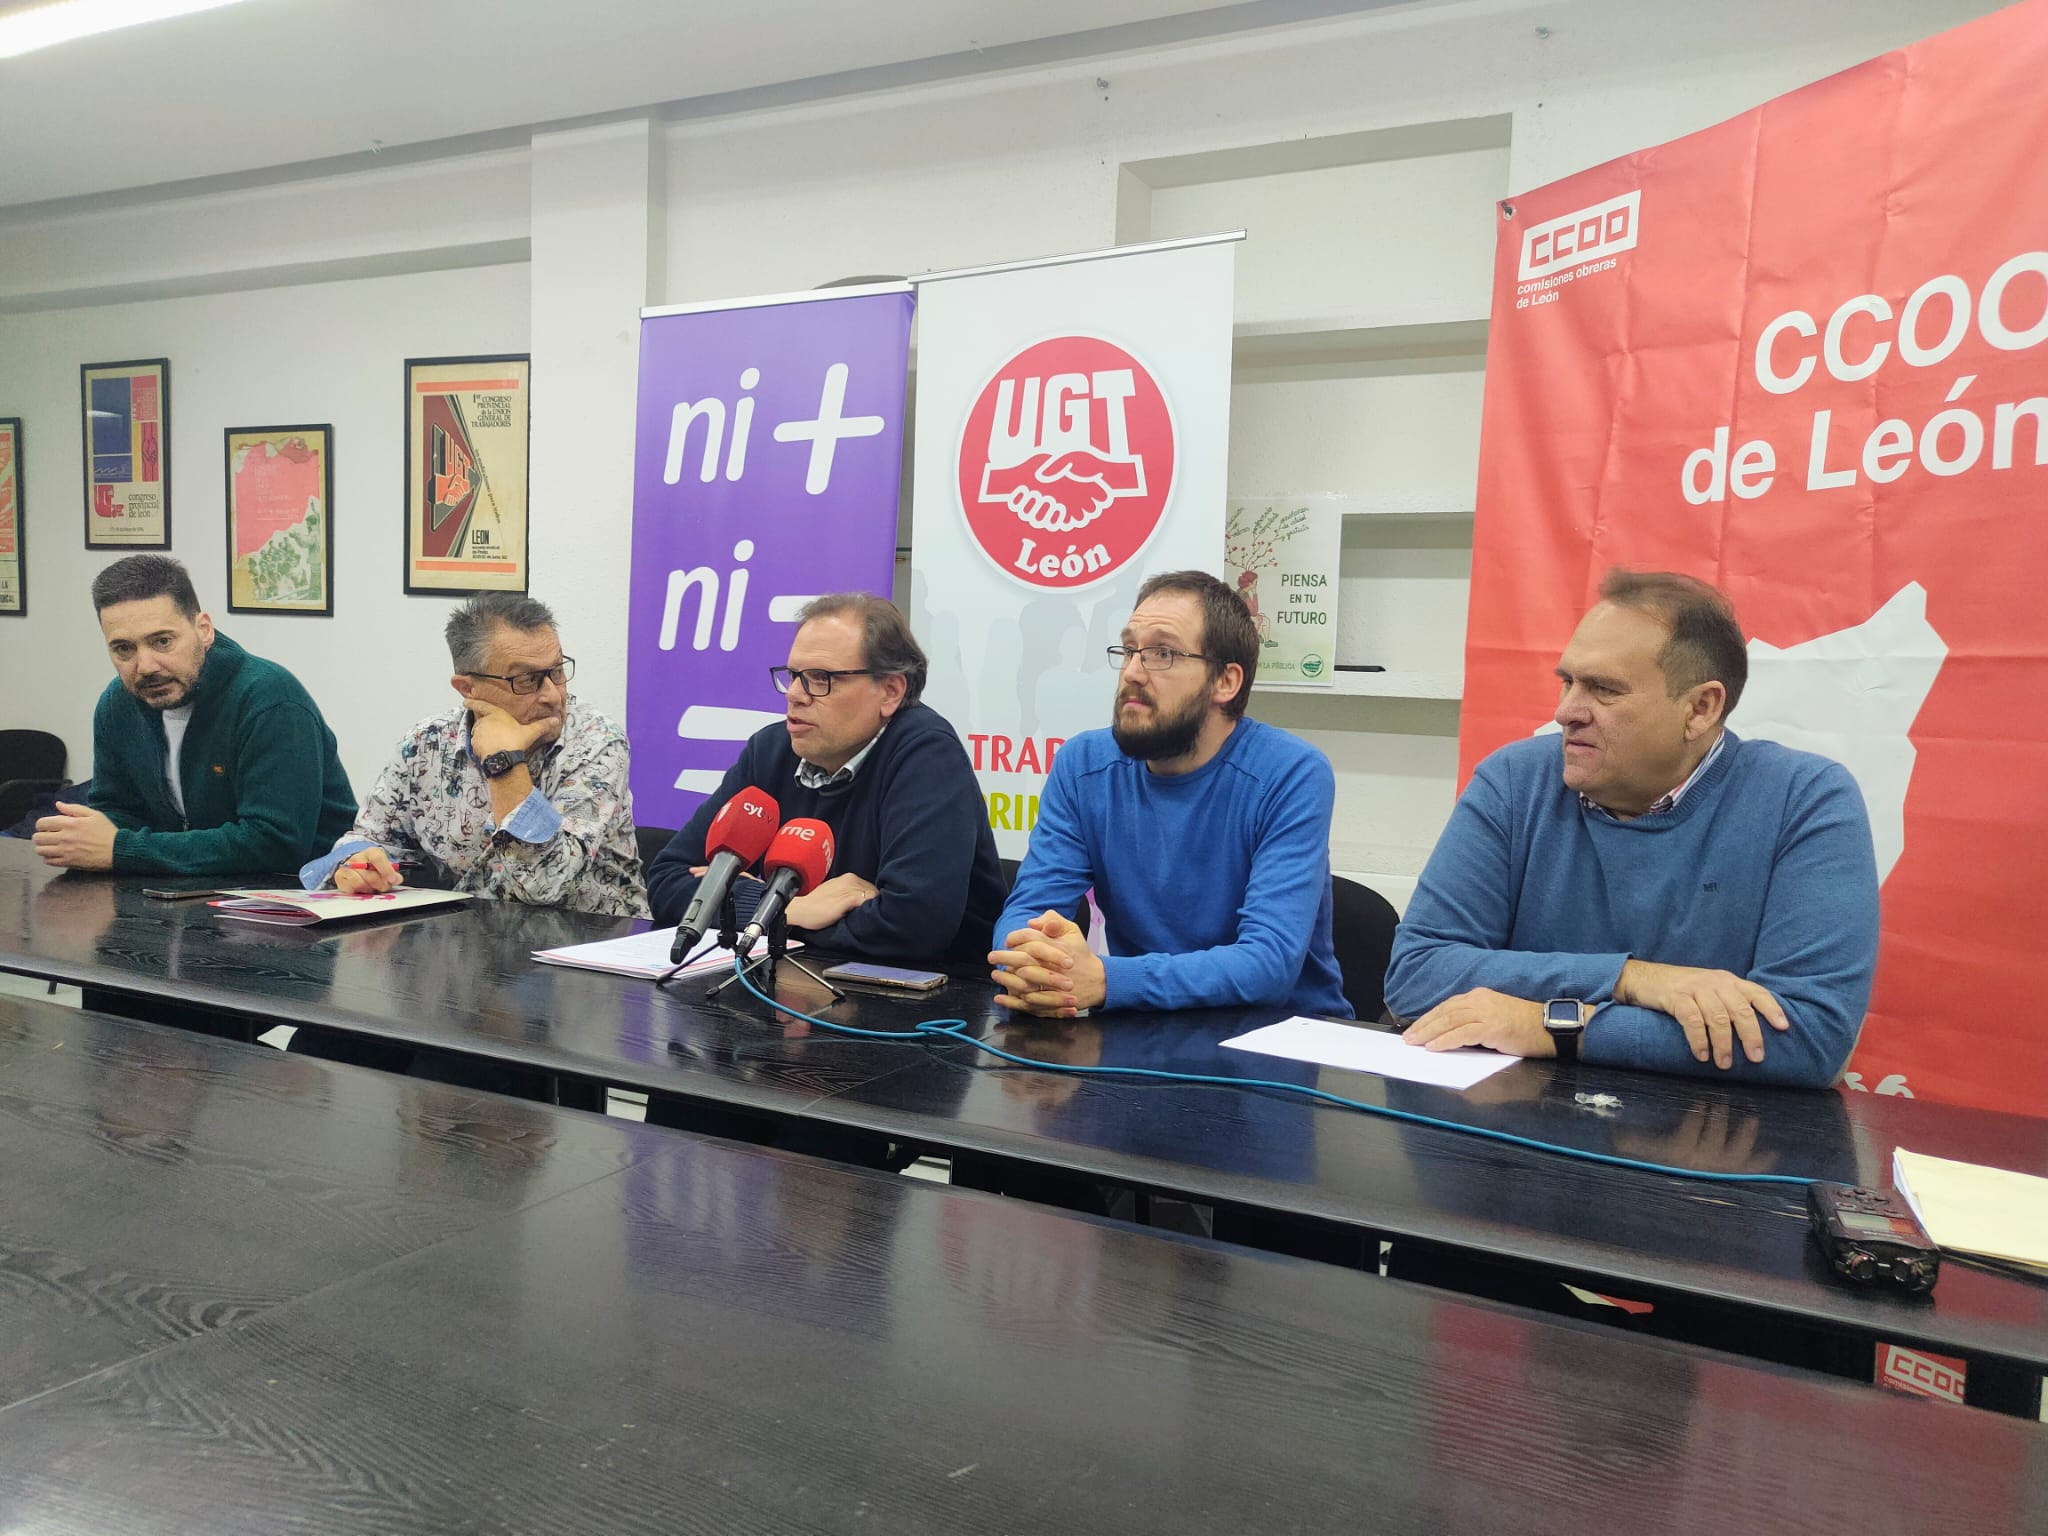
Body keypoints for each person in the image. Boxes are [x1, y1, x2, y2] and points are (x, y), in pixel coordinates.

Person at [1385, 568, 1879, 1088]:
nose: (1565, 712)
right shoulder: (1515, 780)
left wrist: (1556, 1025)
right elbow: (1418, 975)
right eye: (1567, 681)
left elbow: (1806, 1038)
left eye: (1604, 689)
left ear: (1699, 709)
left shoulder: (1806, 800)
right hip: (1517, 1127)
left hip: (1714, 1149)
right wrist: (1629, 979)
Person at [991, 570, 1348, 1018]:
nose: (1133, 672)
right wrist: (1033, 958)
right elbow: (1029, 908)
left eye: (1162, 653)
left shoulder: (1290, 773)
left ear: (1226, 682)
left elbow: (1267, 963)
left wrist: (1106, 979)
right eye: (1129, 649)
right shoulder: (1083, 764)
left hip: (1277, 1043)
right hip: (1138, 1033)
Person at [648, 593, 1005, 959]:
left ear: (890, 691)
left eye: (821, 678)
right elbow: (667, 882)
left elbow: (912, 924)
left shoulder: (926, 753)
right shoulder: (770, 750)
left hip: (928, 1001)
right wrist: (791, 910)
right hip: (790, 981)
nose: (796, 696)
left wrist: (754, 911)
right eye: (794, 676)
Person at [303, 591, 646, 917]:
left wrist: (504, 762)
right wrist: (357, 865)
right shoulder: (426, 742)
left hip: (585, 952)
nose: (552, 696)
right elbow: (368, 838)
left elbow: (546, 885)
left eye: (557, 671)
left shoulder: (597, 741)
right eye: (526, 680)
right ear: (468, 688)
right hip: (463, 948)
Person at [34, 554, 354, 874]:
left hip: (306, 896)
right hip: (187, 891)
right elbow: (120, 812)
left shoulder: (270, 701)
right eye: (123, 649)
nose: (145, 666)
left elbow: (275, 843)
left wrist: (123, 849)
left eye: (162, 641)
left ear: (204, 629)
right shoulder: (117, 704)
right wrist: (83, 837)